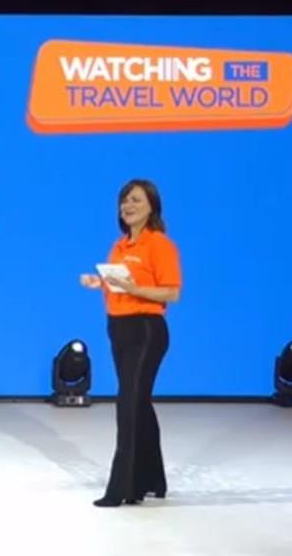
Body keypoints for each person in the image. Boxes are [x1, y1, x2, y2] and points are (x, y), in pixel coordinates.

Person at [79, 179, 181, 508]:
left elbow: (171, 292)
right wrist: (100, 283)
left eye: (136, 200)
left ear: (152, 207)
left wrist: (135, 289)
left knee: (128, 403)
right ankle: (153, 480)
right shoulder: (120, 246)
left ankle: (123, 487)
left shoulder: (159, 244)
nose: (128, 205)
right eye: (125, 200)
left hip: (146, 330)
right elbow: (118, 286)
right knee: (138, 402)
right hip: (119, 327)